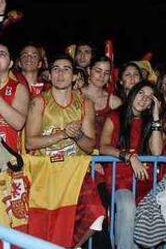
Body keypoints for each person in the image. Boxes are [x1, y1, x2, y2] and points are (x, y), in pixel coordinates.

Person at [25, 53, 104, 247]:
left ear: (75, 76)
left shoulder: (86, 104)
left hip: (73, 173)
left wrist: (76, 135)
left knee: (96, 214)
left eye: (66, 69)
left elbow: (89, 146)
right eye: (56, 69)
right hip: (45, 172)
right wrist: (62, 134)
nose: (60, 74)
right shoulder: (38, 102)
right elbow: (30, 143)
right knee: (44, 226)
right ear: (50, 75)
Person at [100, 80, 163, 249]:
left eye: (149, 98)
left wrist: (156, 117)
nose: (144, 99)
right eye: (141, 93)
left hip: (146, 183)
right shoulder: (115, 116)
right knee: (127, 207)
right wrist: (129, 157)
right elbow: (103, 146)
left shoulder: (149, 122)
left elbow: (157, 152)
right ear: (132, 93)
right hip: (120, 181)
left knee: (142, 224)